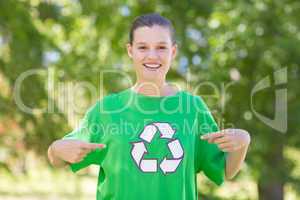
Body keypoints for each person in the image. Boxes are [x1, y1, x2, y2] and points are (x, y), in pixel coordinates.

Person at [47, 13, 251, 200]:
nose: (152, 56)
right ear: (130, 51)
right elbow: (60, 159)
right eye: (143, 47)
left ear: (173, 51)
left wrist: (243, 142)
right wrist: (56, 149)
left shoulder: (192, 108)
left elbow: (224, 170)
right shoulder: (107, 110)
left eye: (161, 47)